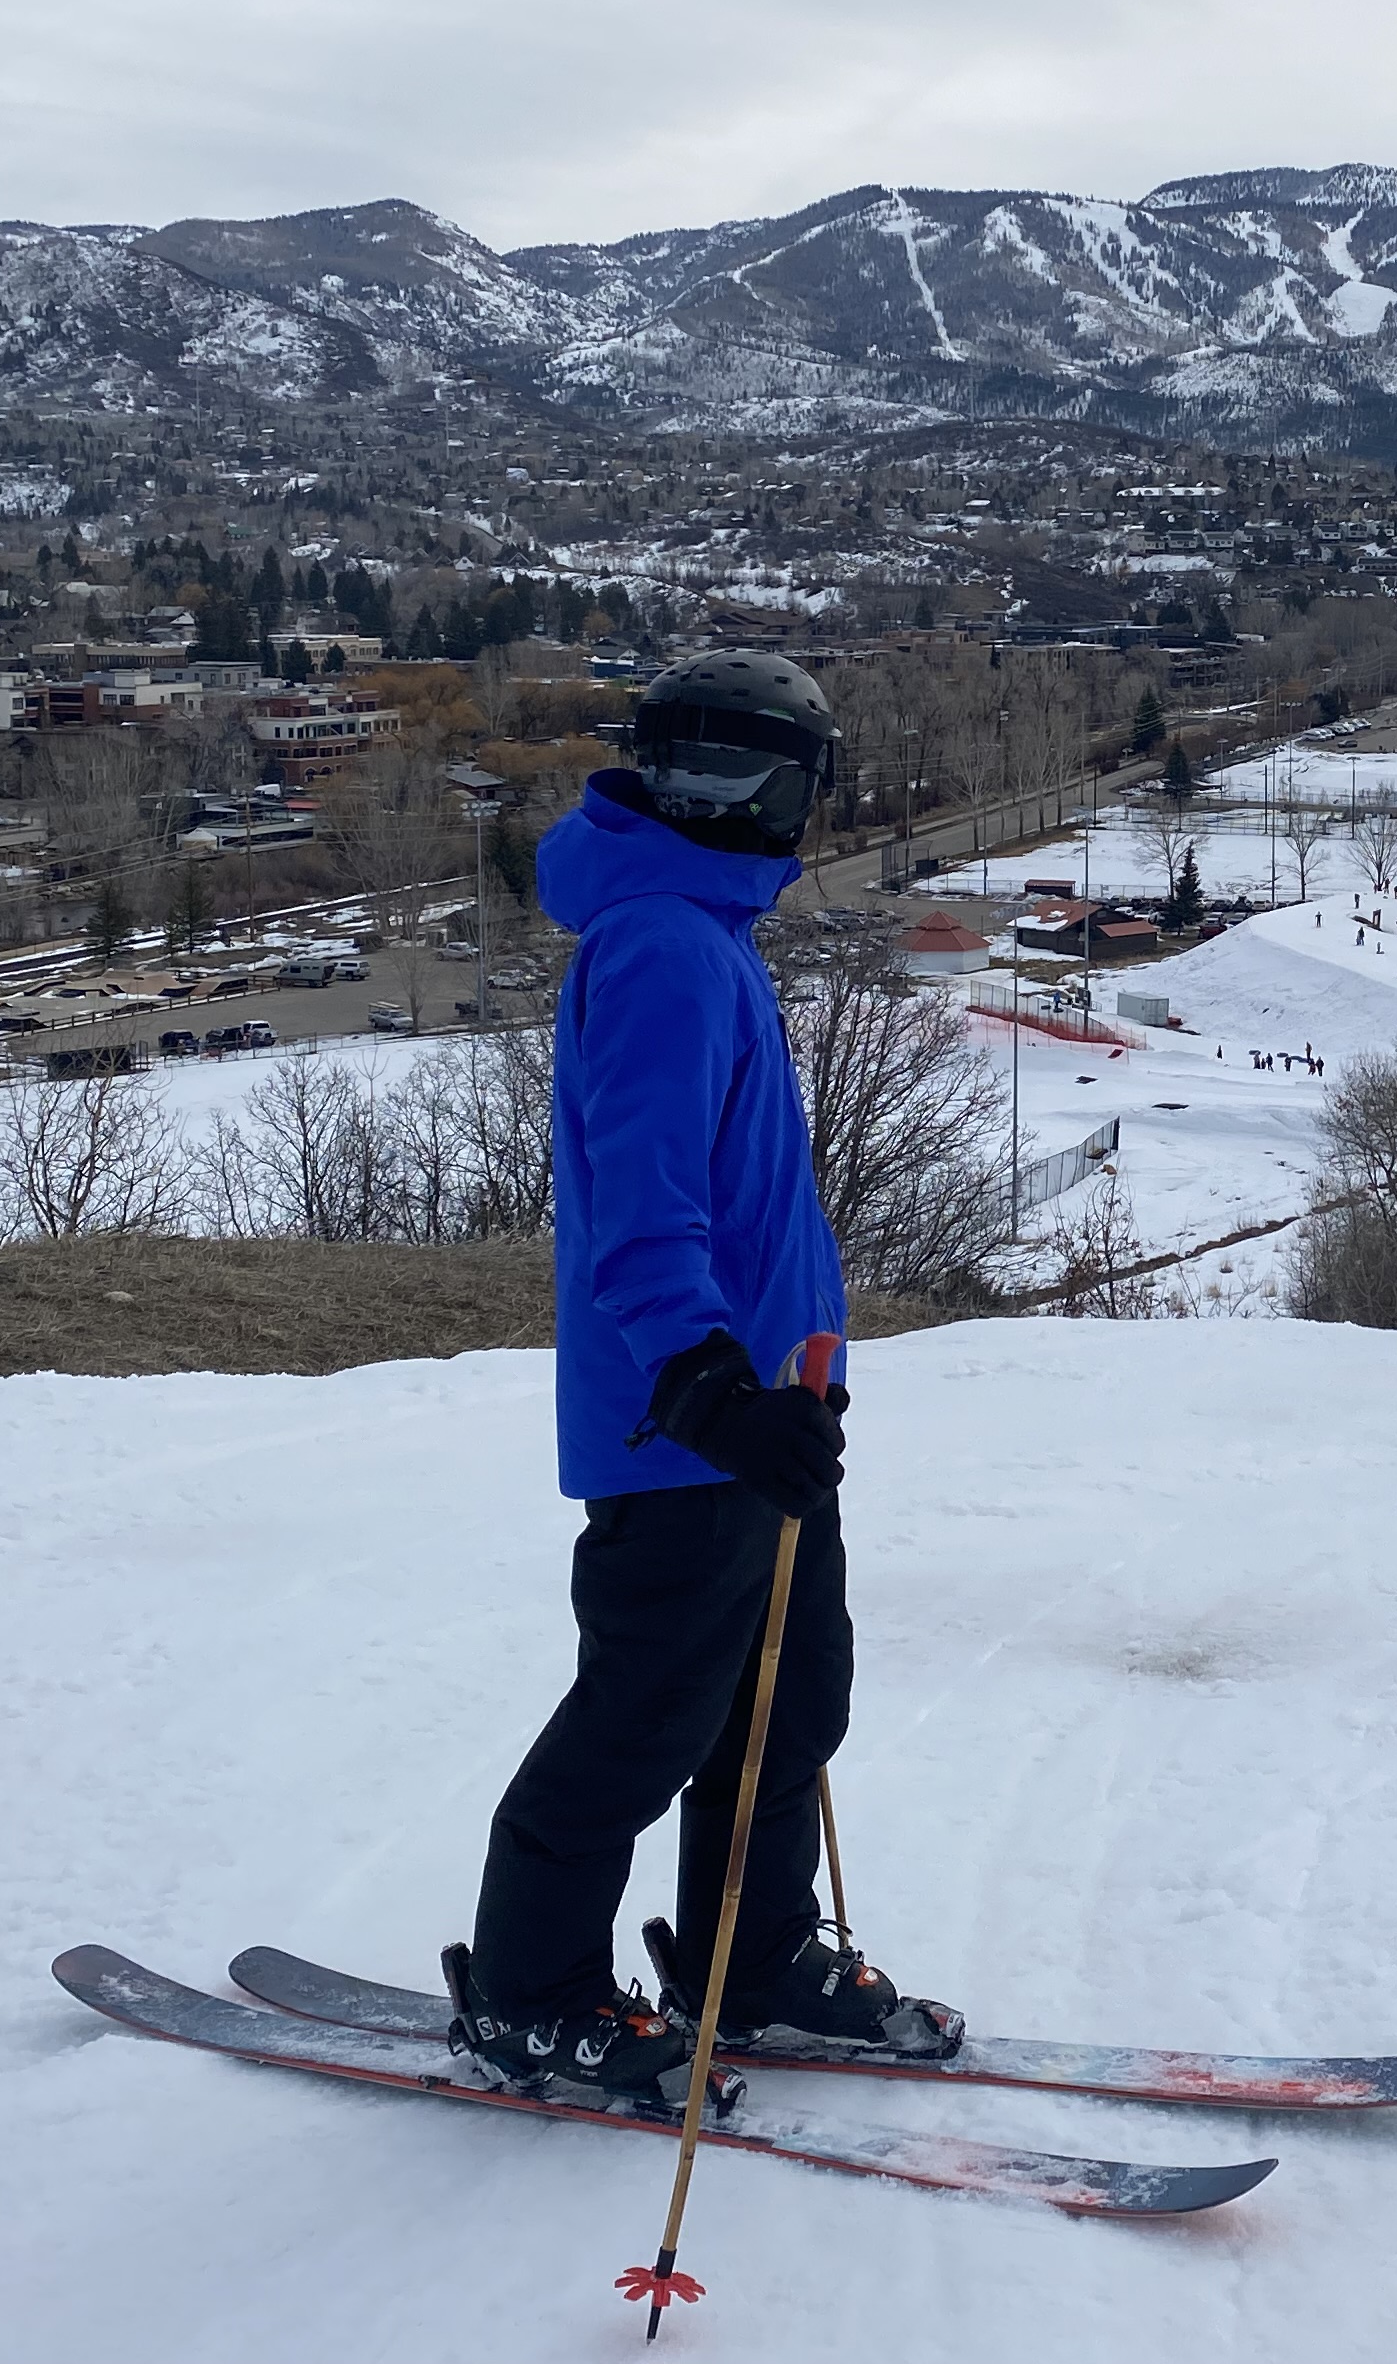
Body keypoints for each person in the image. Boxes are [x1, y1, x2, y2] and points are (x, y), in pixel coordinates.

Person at [447, 649, 960, 2107]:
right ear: (758, 786)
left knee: (788, 1709)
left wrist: (797, 1385)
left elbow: (752, 1207)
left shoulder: (704, 934)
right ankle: (529, 1992)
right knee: (645, 1721)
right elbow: (643, 1205)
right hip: (687, 1431)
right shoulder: (665, 945)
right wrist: (706, 1387)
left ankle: (753, 1955)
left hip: (761, 1416)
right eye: (796, 779)